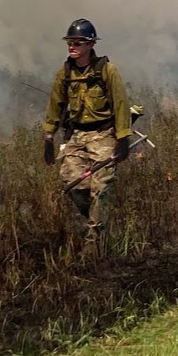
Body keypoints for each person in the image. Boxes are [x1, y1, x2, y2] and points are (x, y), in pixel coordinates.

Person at [41, 18, 132, 238]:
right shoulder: (65, 73)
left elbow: (120, 103)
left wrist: (123, 139)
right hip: (76, 135)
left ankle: (95, 243)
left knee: (100, 189)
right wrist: (49, 137)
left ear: (91, 45)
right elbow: (55, 104)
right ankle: (101, 221)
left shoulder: (106, 70)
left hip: (103, 134)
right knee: (73, 185)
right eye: (70, 42)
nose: (72, 46)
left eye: (78, 42)